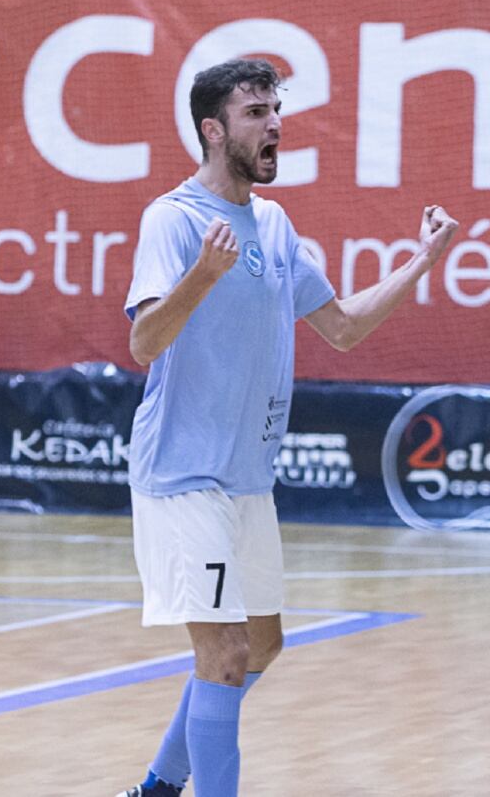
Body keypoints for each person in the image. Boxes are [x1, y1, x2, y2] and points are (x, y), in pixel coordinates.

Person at [116, 58, 458, 797]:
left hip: (247, 480)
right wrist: (200, 278)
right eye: (255, 113)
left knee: (262, 644)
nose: (274, 125)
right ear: (213, 130)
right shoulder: (171, 219)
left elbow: (342, 327)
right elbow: (144, 343)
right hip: (183, 477)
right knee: (227, 652)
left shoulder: (272, 222)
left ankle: (155, 789)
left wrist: (423, 259)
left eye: (276, 110)